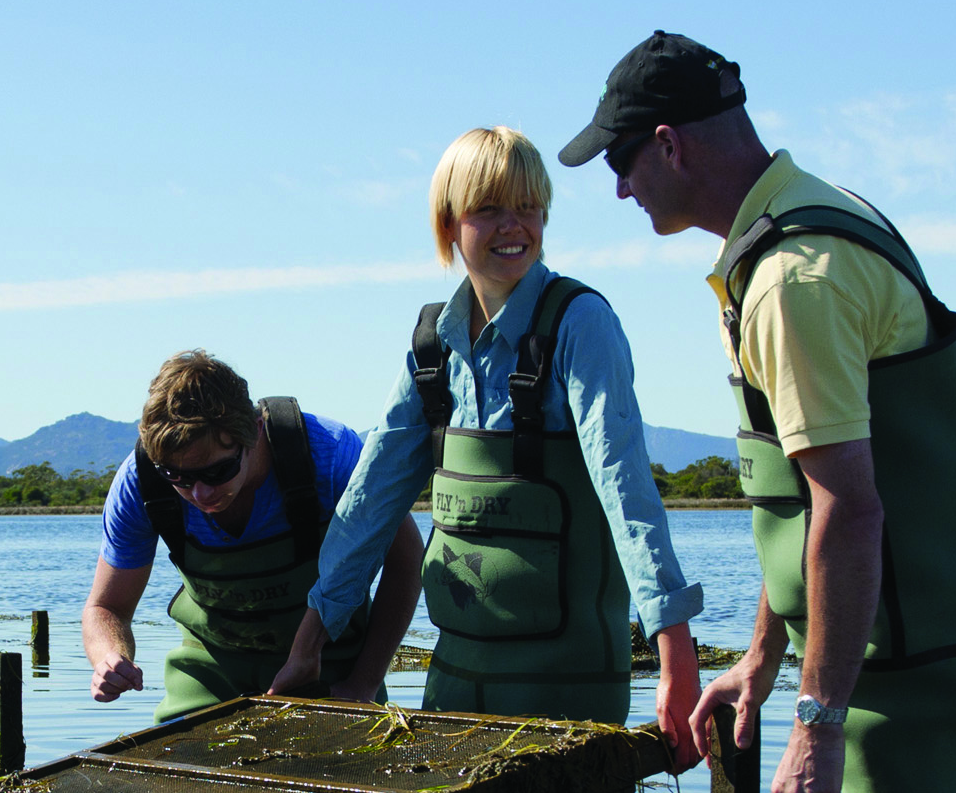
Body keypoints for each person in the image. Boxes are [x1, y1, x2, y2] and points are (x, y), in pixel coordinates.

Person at [560, 30, 956, 793]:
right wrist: (763, 657)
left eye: (623, 161)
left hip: (899, 651)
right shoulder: (805, 224)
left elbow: (847, 510)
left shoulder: (790, 279)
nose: (620, 187)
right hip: (898, 641)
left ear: (669, 144)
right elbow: (794, 503)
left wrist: (814, 725)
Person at [300, 127, 704, 755]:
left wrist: (673, 644)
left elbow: (627, 491)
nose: (513, 226)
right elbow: (369, 502)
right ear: (449, 224)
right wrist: (310, 640)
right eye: (488, 208)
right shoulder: (432, 347)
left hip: (569, 691)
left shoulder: (581, 322)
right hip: (454, 686)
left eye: (528, 207)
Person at [84, 349, 420, 718]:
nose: (200, 494)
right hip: (209, 672)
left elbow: (405, 564)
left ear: (255, 432)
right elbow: (106, 607)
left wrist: (363, 685)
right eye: (178, 478)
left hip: (330, 667)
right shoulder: (141, 481)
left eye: (217, 472)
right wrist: (109, 657)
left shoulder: (330, 456)